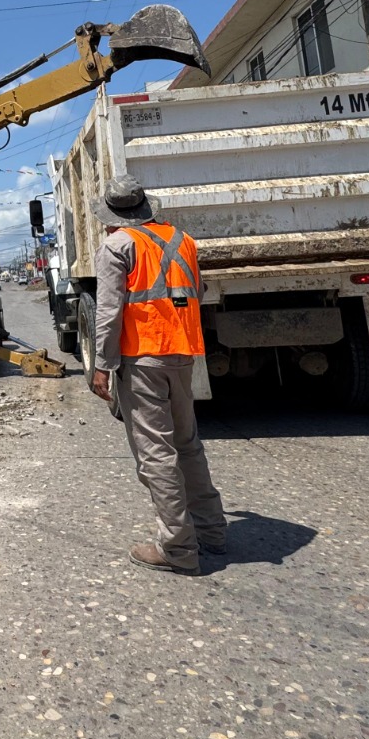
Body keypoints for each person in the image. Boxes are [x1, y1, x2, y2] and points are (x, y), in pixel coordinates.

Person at [87, 173, 226, 577]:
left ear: (112, 215)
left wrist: (102, 365)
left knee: (156, 453)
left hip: (143, 357)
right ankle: (212, 531)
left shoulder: (117, 246)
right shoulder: (183, 240)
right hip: (181, 351)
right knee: (187, 444)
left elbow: (108, 311)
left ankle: (178, 548)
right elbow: (197, 292)